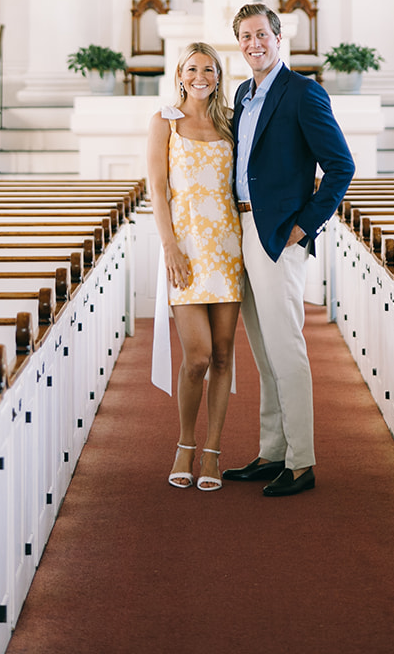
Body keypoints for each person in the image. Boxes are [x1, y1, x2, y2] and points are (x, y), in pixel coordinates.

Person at [223, 2, 355, 496]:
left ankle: (302, 461)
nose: (253, 44)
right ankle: (272, 450)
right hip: (241, 230)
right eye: (245, 37)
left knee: (286, 347)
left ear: (279, 39)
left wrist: (304, 226)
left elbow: (341, 167)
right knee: (263, 350)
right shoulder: (243, 93)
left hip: (278, 234)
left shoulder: (303, 93)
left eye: (261, 34)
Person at [147, 41, 243, 491]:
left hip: (228, 248)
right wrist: (169, 245)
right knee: (197, 357)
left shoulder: (231, 123)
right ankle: (184, 443)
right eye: (192, 68)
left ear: (219, 76)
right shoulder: (164, 122)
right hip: (185, 249)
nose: (200, 75)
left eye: (209, 68)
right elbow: (158, 188)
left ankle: (213, 452)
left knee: (224, 355)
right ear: (180, 75)